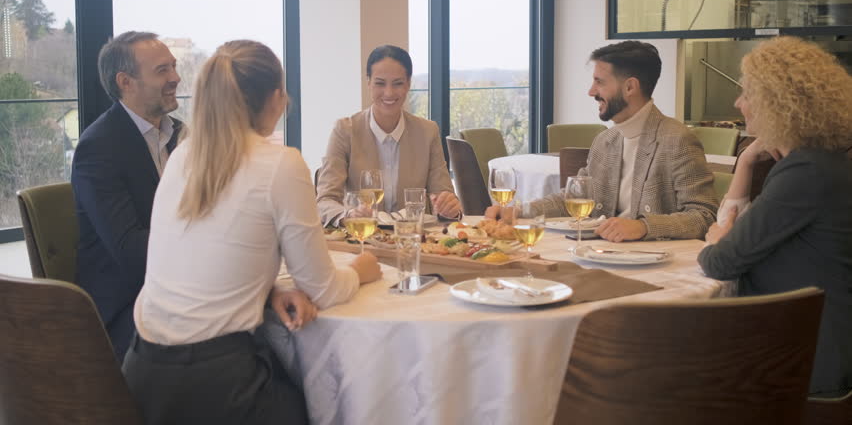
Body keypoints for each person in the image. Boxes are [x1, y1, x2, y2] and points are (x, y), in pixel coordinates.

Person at [122, 40, 381, 424]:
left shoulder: (182, 157)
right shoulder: (281, 163)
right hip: (219, 387)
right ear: (277, 98)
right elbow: (323, 290)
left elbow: (204, 259)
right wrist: (362, 269)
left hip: (142, 375)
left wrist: (270, 291)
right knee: (336, 404)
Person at [699, 36, 852, 397]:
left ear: (778, 103)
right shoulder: (823, 164)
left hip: (803, 360)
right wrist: (748, 159)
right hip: (820, 343)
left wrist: (718, 238)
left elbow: (720, 262)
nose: (739, 104)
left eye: (747, 94)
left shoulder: (805, 173)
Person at [488, 40, 717, 241]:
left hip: (655, 263)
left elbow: (704, 216)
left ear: (630, 87)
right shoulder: (605, 141)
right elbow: (573, 199)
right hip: (601, 254)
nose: (591, 91)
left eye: (600, 82)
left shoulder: (677, 140)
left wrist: (643, 227)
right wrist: (519, 211)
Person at [72, 31, 183, 360]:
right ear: (126, 82)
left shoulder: (180, 135)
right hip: (126, 306)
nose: (175, 78)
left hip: (176, 287)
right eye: (162, 70)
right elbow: (131, 251)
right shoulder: (99, 148)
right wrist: (206, 241)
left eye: (174, 67)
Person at [315, 45, 461, 225]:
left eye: (398, 83)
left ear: (408, 84)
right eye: (380, 83)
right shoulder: (345, 130)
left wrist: (449, 206)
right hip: (363, 238)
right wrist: (349, 214)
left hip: (413, 240)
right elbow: (324, 200)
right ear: (368, 82)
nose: (389, 92)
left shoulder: (428, 132)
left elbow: (443, 196)